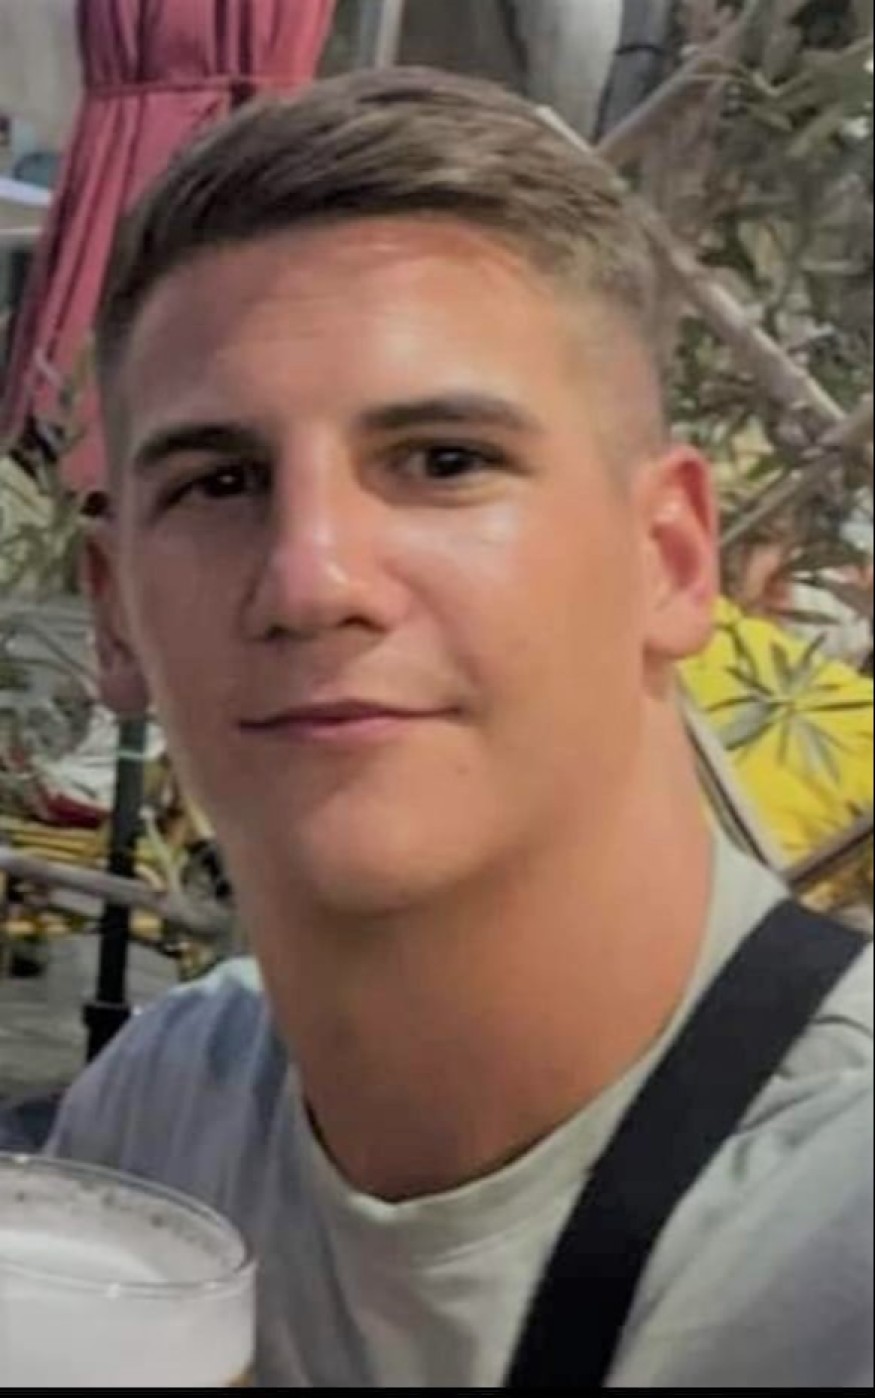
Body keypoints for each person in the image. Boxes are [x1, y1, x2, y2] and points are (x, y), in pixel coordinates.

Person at [48, 70, 872, 1388]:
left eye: (445, 461)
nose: (311, 577)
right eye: (221, 481)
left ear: (670, 559)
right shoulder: (163, 1127)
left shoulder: (828, 1241)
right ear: (115, 613)